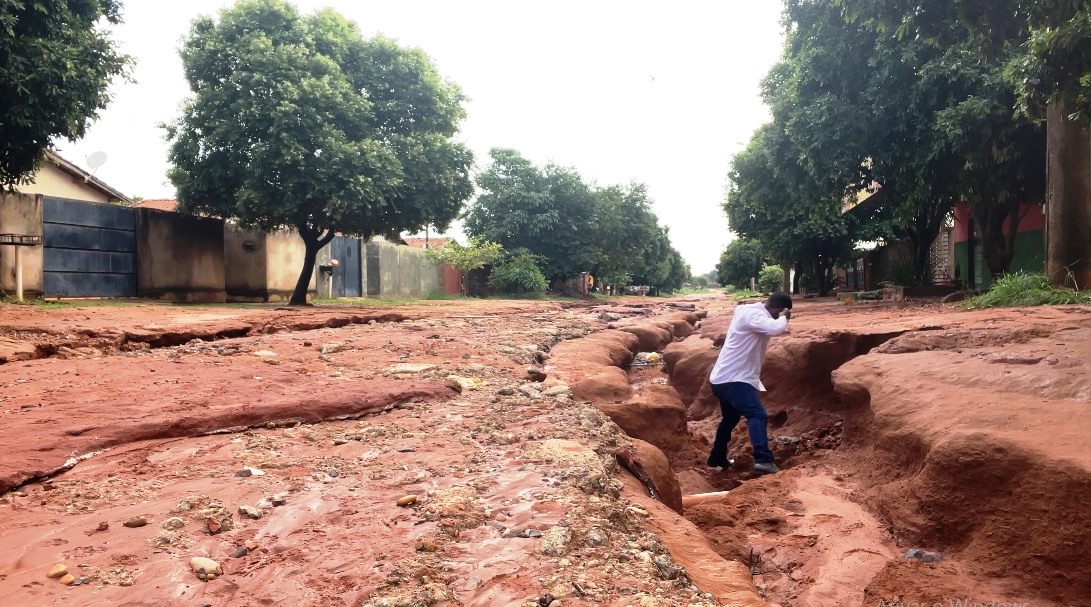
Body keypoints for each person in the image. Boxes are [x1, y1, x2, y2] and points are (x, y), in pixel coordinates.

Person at [706, 292, 793, 475]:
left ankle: (717, 456)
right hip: (734, 379)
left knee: (730, 419)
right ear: (777, 309)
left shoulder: (748, 312)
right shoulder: (754, 315)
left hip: (724, 378)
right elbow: (775, 328)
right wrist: (784, 317)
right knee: (758, 415)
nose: (779, 316)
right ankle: (763, 460)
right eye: (779, 312)